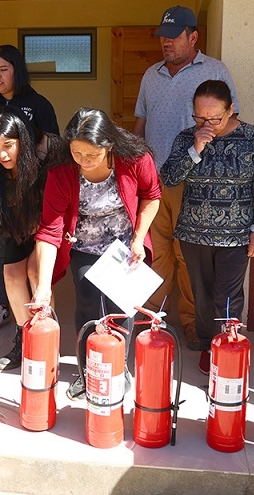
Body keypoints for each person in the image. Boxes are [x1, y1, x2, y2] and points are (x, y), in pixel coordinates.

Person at [31, 108, 161, 400]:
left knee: (120, 306)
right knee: (87, 301)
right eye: (77, 154)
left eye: (92, 155)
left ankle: (118, 366)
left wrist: (139, 239)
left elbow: (152, 196)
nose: (84, 162)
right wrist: (42, 287)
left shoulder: (135, 159)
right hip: (84, 243)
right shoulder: (62, 171)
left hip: (125, 243)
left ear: (109, 145)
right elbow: (50, 230)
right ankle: (86, 369)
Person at [132, 5, 240, 351]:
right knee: (156, 255)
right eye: (162, 36)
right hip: (153, 183)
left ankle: (193, 324)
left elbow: (229, 124)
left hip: (196, 184)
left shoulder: (215, 70)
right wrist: (134, 167)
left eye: (173, 36)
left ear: (193, 37)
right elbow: (140, 124)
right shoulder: (151, 75)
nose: (165, 43)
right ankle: (151, 319)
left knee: (189, 257)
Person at [161, 80, 254, 373]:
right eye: (200, 117)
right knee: (201, 293)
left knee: (227, 295)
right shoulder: (186, 137)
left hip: (236, 235)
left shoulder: (252, 138)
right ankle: (205, 342)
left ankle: (225, 345)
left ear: (231, 109)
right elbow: (170, 177)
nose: (207, 123)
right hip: (193, 232)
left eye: (215, 118)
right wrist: (195, 148)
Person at [0, 45, 60, 333]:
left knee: (35, 265)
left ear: (17, 70)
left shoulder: (38, 104)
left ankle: (42, 326)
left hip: (34, 196)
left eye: (3, 69)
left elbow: (54, 146)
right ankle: (7, 311)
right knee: (5, 257)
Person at [0, 107, 66, 370]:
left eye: (8, 145)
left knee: (35, 272)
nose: (2, 153)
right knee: (10, 276)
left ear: (22, 140)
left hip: (48, 227)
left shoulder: (44, 159)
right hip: (16, 227)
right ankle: (25, 338)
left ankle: (47, 339)